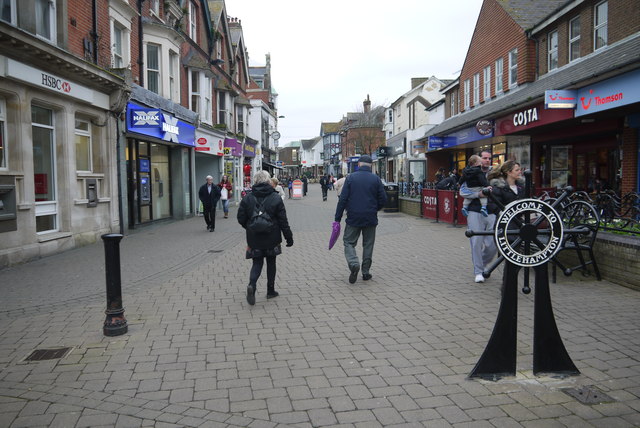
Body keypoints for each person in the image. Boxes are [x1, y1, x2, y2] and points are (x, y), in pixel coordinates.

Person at [237, 171, 293, 305]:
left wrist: (250, 227)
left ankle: (252, 285)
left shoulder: (247, 198)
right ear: (268, 181)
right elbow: (283, 221)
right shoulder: (276, 197)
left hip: (254, 237)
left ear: (255, 182)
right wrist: (288, 237)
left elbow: (240, 218)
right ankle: (270, 291)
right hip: (272, 236)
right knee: (271, 263)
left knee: (257, 262)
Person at [334, 155, 387, 284]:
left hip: (353, 217)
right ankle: (365, 272)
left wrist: (337, 218)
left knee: (348, 242)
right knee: (368, 244)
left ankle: (353, 263)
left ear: (358, 165)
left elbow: (343, 199)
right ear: (371, 166)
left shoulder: (351, 178)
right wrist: (375, 208)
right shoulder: (376, 179)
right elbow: (384, 199)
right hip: (370, 217)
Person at [463, 150, 496, 283]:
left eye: (489, 158)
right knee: (476, 241)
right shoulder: (469, 172)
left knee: (492, 244)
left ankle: (481, 263)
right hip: (475, 210)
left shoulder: (496, 174)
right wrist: (478, 195)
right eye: (484, 158)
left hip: (492, 211)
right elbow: (462, 191)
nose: (487, 160)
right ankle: (478, 271)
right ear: (478, 159)